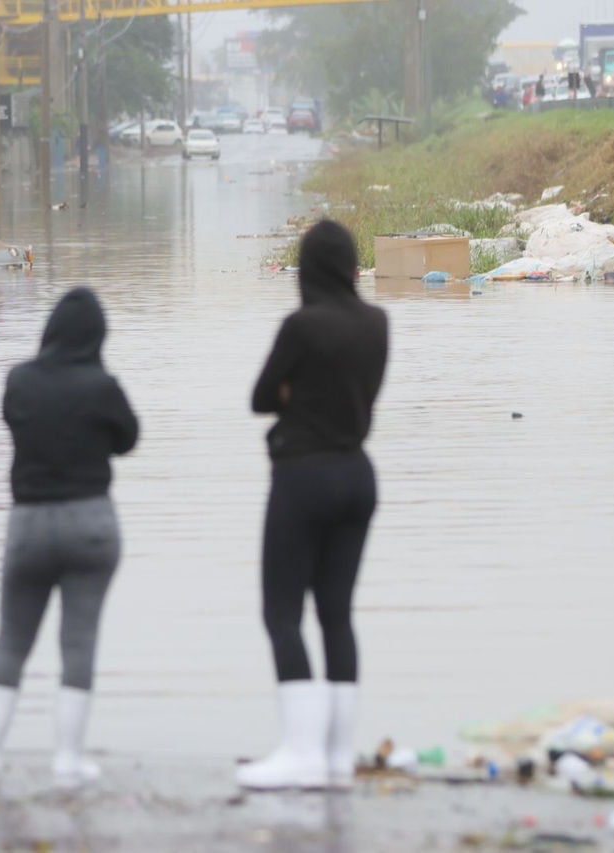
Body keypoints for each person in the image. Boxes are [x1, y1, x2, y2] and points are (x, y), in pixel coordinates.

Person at [0, 286, 138, 789]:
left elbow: (15, 422)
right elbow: (128, 439)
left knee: (12, 639)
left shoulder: (20, 381)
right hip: (92, 521)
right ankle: (69, 762)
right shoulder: (103, 385)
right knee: (80, 642)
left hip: (30, 522)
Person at [237, 220, 389, 791]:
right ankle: (337, 758)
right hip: (357, 476)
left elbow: (259, 398)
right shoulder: (378, 323)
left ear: (306, 269)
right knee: (337, 615)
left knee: (281, 614)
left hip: (303, 476)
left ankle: (300, 753)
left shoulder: (300, 327)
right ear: (351, 265)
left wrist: (291, 393)